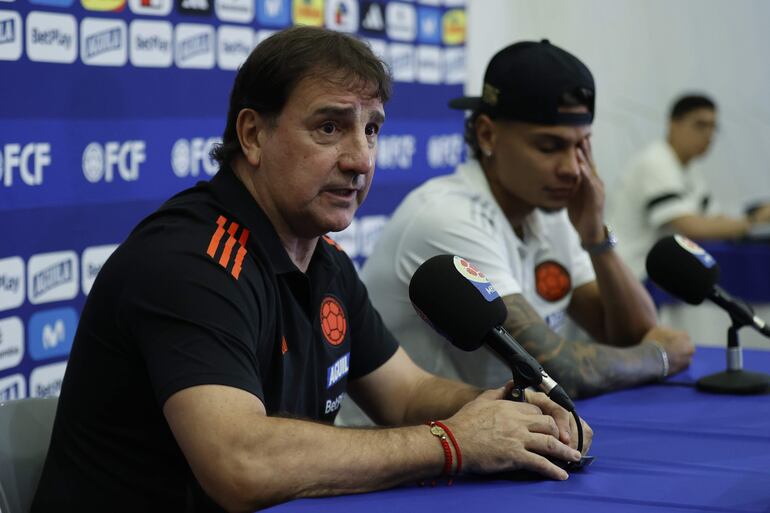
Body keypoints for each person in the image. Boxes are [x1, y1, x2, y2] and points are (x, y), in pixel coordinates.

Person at [31, 28, 592, 513]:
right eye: (329, 128)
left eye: (371, 129)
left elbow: (405, 393)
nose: (360, 159)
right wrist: (453, 442)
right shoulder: (189, 261)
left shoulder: (322, 258)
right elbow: (240, 462)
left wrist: (513, 417)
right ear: (253, 135)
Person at [343, 40, 694, 416]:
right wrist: (660, 357)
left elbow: (630, 333)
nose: (572, 169)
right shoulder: (447, 217)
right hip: (406, 441)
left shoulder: (549, 211)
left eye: (581, 147)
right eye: (549, 147)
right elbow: (555, 372)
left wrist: (596, 239)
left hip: (492, 430)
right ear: (487, 135)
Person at [611, 94, 770, 279]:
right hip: (633, 274)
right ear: (673, 125)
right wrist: (752, 222)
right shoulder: (656, 162)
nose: (708, 135)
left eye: (713, 127)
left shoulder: (689, 168)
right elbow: (691, 227)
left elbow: (712, 219)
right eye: (700, 125)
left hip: (658, 273)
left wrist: (756, 217)